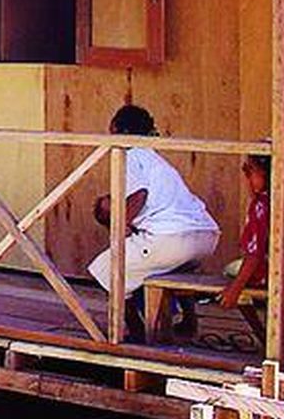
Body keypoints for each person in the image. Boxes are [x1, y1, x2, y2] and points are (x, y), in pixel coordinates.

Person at [87, 104, 220, 342]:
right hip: (205, 235)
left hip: (172, 238)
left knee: (106, 269)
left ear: (116, 130)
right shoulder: (155, 158)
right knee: (171, 270)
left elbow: (139, 195)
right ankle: (188, 323)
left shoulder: (129, 154)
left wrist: (120, 228)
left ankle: (138, 332)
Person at [220, 154, 270, 310]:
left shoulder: (261, 205)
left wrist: (235, 289)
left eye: (250, 172)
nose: (247, 178)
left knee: (231, 273)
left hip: (267, 273)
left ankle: (259, 328)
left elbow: (254, 255)